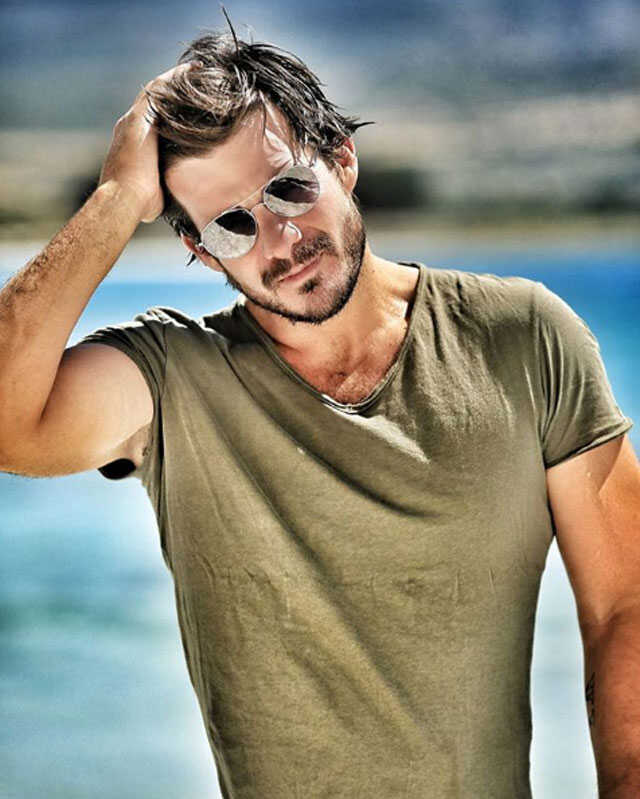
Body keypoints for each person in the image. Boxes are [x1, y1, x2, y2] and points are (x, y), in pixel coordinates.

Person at [1, 16, 640, 799]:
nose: (279, 238)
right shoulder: (173, 384)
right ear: (198, 250)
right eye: (230, 226)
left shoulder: (525, 338)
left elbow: (625, 604)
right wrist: (115, 198)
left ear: (341, 159)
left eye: (288, 188)